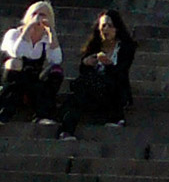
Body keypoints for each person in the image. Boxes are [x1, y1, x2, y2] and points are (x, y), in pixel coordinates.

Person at [0, 0, 63, 127]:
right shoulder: (14, 34)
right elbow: (17, 53)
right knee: (15, 63)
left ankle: (42, 114)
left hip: (32, 81)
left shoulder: (46, 40)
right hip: (11, 80)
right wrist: (28, 30)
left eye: (43, 15)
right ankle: (4, 112)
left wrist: (52, 34)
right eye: (34, 14)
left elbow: (56, 60)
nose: (37, 18)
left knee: (56, 71)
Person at [52, 9, 137, 137]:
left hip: (114, 91)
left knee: (82, 89)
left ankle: (115, 116)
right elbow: (85, 72)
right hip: (93, 91)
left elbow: (122, 74)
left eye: (110, 26)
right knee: (81, 91)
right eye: (103, 26)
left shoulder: (125, 48)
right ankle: (66, 131)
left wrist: (108, 65)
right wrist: (85, 63)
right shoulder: (94, 46)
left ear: (117, 28)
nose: (106, 29)